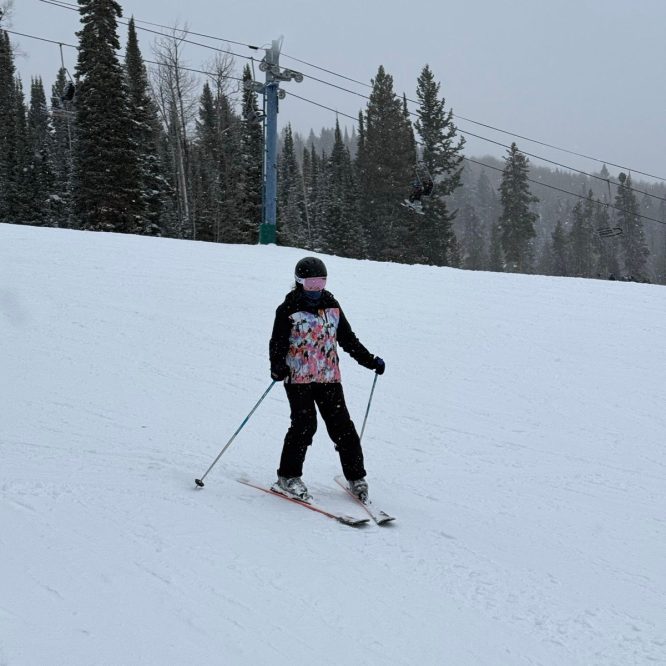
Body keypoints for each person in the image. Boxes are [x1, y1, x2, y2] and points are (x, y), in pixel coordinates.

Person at [269, 256, 385, 502]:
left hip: (328, 377)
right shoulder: (288, 309)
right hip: (298, 378)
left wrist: (370, 360)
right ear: (300, 282)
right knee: (304, 426)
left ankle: (356, 477)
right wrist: (277, 367)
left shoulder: (332, 305)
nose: (316, 289)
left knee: (343, 427)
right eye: (311, 284)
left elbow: (347, 339)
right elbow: (277, 343)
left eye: (320, 283)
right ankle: (287, 477)